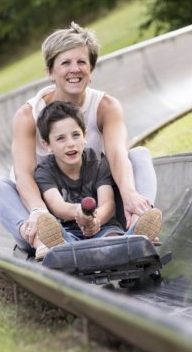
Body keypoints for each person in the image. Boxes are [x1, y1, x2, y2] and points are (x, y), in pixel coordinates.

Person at [0, 22, 158, 255]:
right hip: (46, 210)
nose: (74, 69)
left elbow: (117, 156)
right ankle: (44, 241)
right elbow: (23, 173)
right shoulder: (28, 115)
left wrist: (128, 194)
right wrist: (38, 212)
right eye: (65, 63)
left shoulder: (105, 106)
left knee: (139, 155)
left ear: (91, 69)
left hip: (100, 211)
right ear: (50, 71)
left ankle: (138, 224)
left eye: (81, 62)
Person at [32, 101, 162, 260]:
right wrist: (80, 214)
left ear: (84, 136)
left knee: (111, 239)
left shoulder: (97, 161)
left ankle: (133, 238)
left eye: (75, 135)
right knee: (63, 239)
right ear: (47, 145)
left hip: (103, 227)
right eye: (60, 139)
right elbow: (58, 206)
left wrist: (95, 221)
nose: (70, 143)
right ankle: (64, 248)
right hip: (69, 230)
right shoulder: (45, 171)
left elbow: (108, 203)